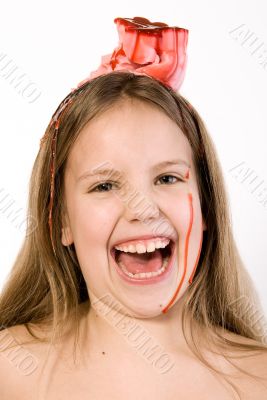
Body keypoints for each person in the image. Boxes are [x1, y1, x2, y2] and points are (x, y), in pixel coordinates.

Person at [0, 16, 266, 400]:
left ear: (206, 204)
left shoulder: (259, 380)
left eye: (167, 179)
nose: (142, 209)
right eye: (105, 185)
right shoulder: (10, 369)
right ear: (61, 219)